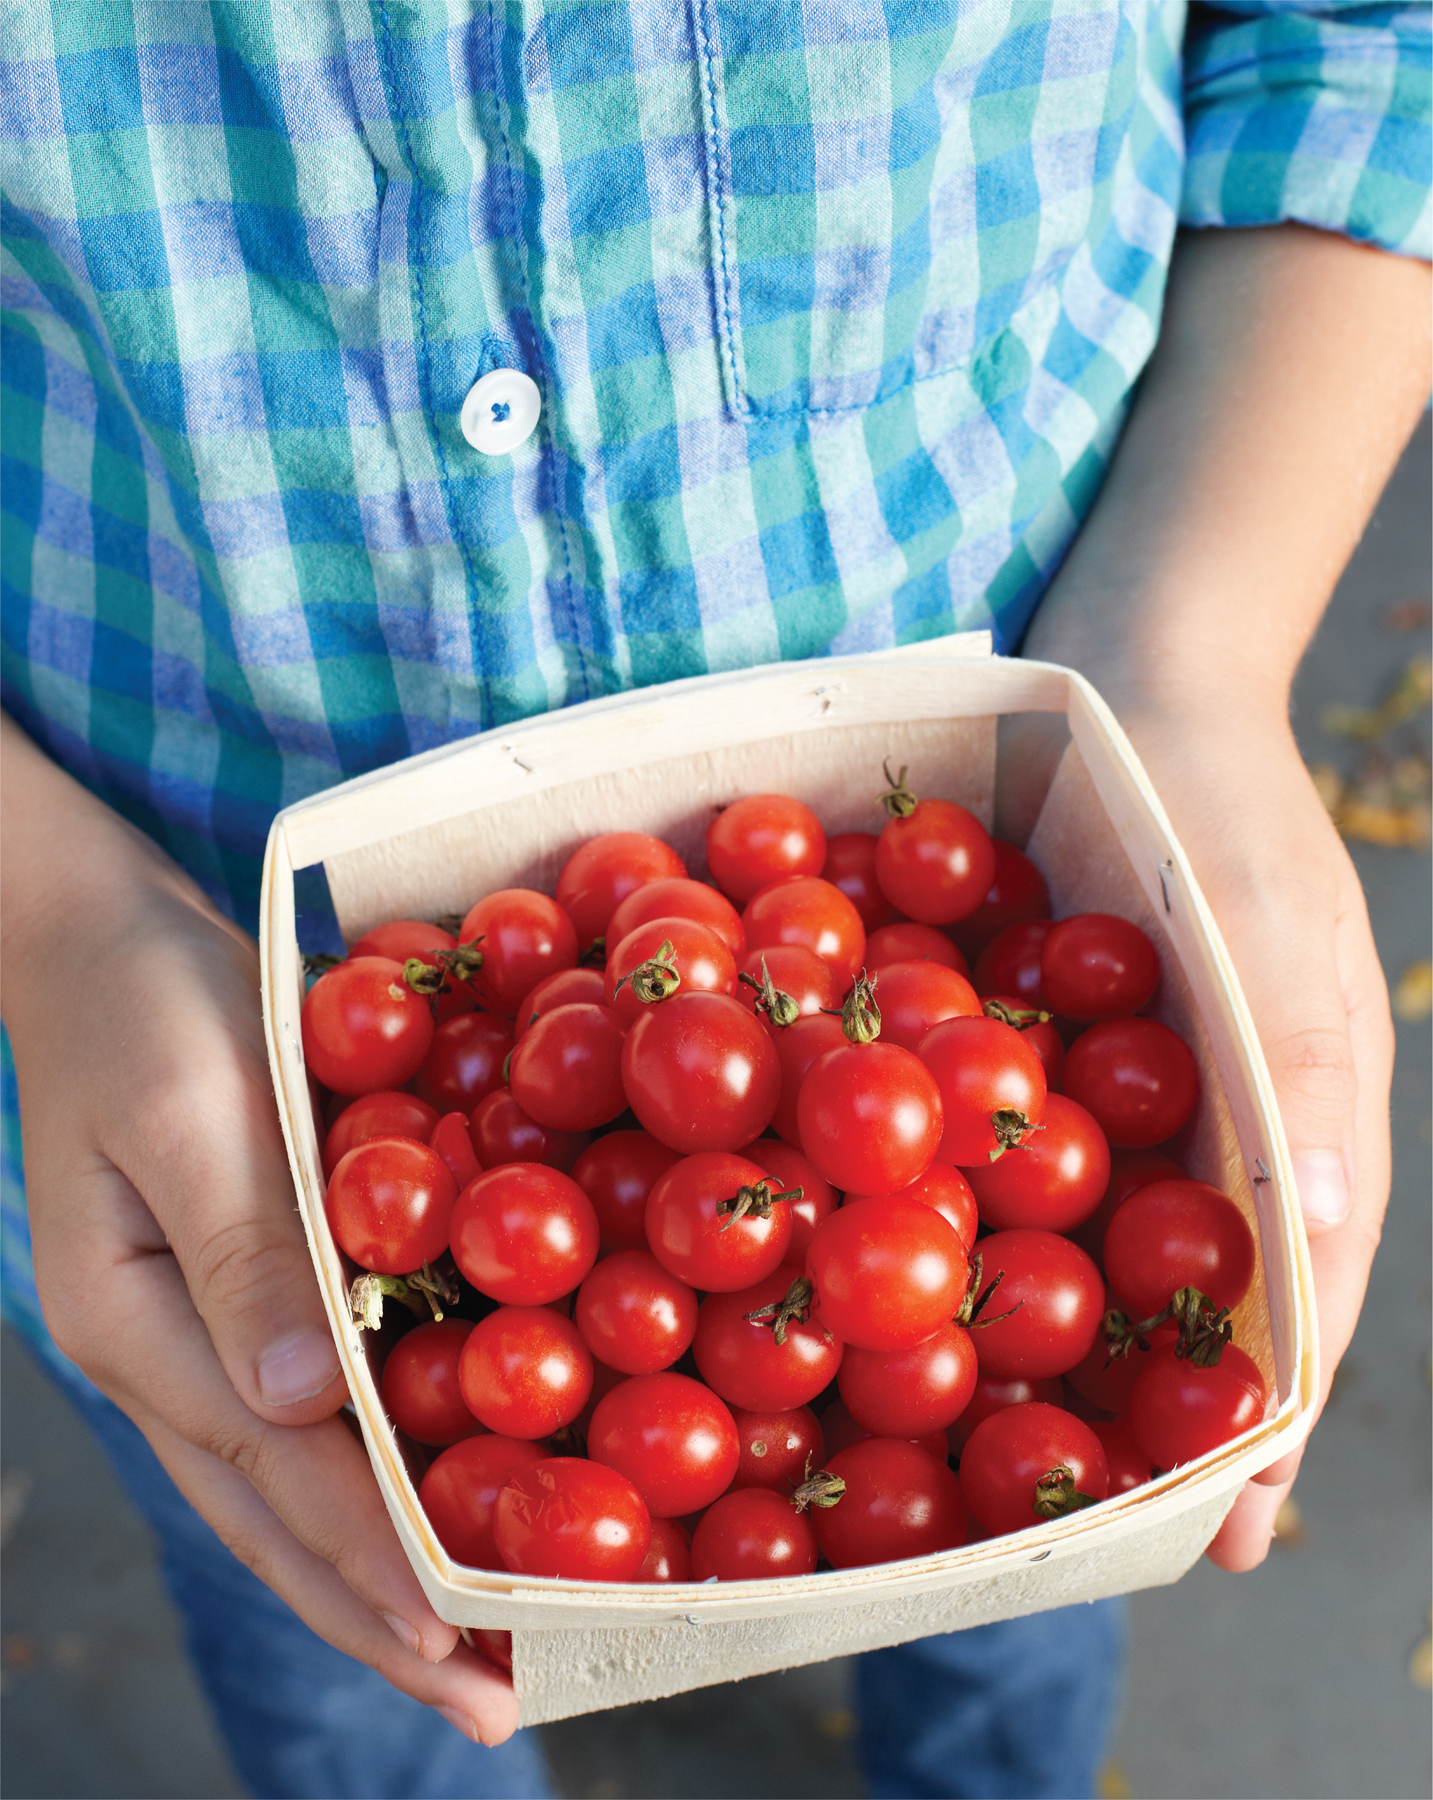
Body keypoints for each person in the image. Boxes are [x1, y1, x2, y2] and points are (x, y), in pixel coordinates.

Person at [1, 2, 1428, 1795]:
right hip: (171, 1055)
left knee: (1014, 1590)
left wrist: (1193, 647)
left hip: (1026, 775)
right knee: (361, 1658)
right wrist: (41, 903)